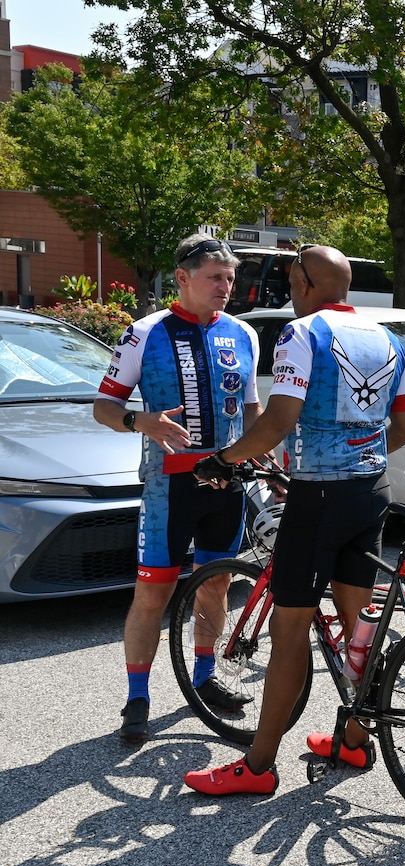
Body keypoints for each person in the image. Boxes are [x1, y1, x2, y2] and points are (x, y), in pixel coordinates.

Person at [181, 245, 405, 795]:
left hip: (320, 502)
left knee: (289, 636)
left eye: (290, 283)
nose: (288, 295)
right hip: (370, 492)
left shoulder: (302, 334)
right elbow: (404, 428)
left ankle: (257, 767)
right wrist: (353, 461)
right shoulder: (387, 339)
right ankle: (354, 742)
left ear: (307, 284)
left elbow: (278, 422)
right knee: (358, 632)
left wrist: (223, 460)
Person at [92, 235, 263, 742]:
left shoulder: (242, 334)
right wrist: (140, 420)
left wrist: (261, 450)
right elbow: (103, 407)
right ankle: (137, 696)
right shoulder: (144, 332)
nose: (226, 287)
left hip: (226, 483)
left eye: (230, 278)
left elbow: (251, 406)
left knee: (215, 584)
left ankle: (206, 677)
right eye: (216, 277)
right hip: (170, 486)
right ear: (183, 278)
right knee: (153, 592)